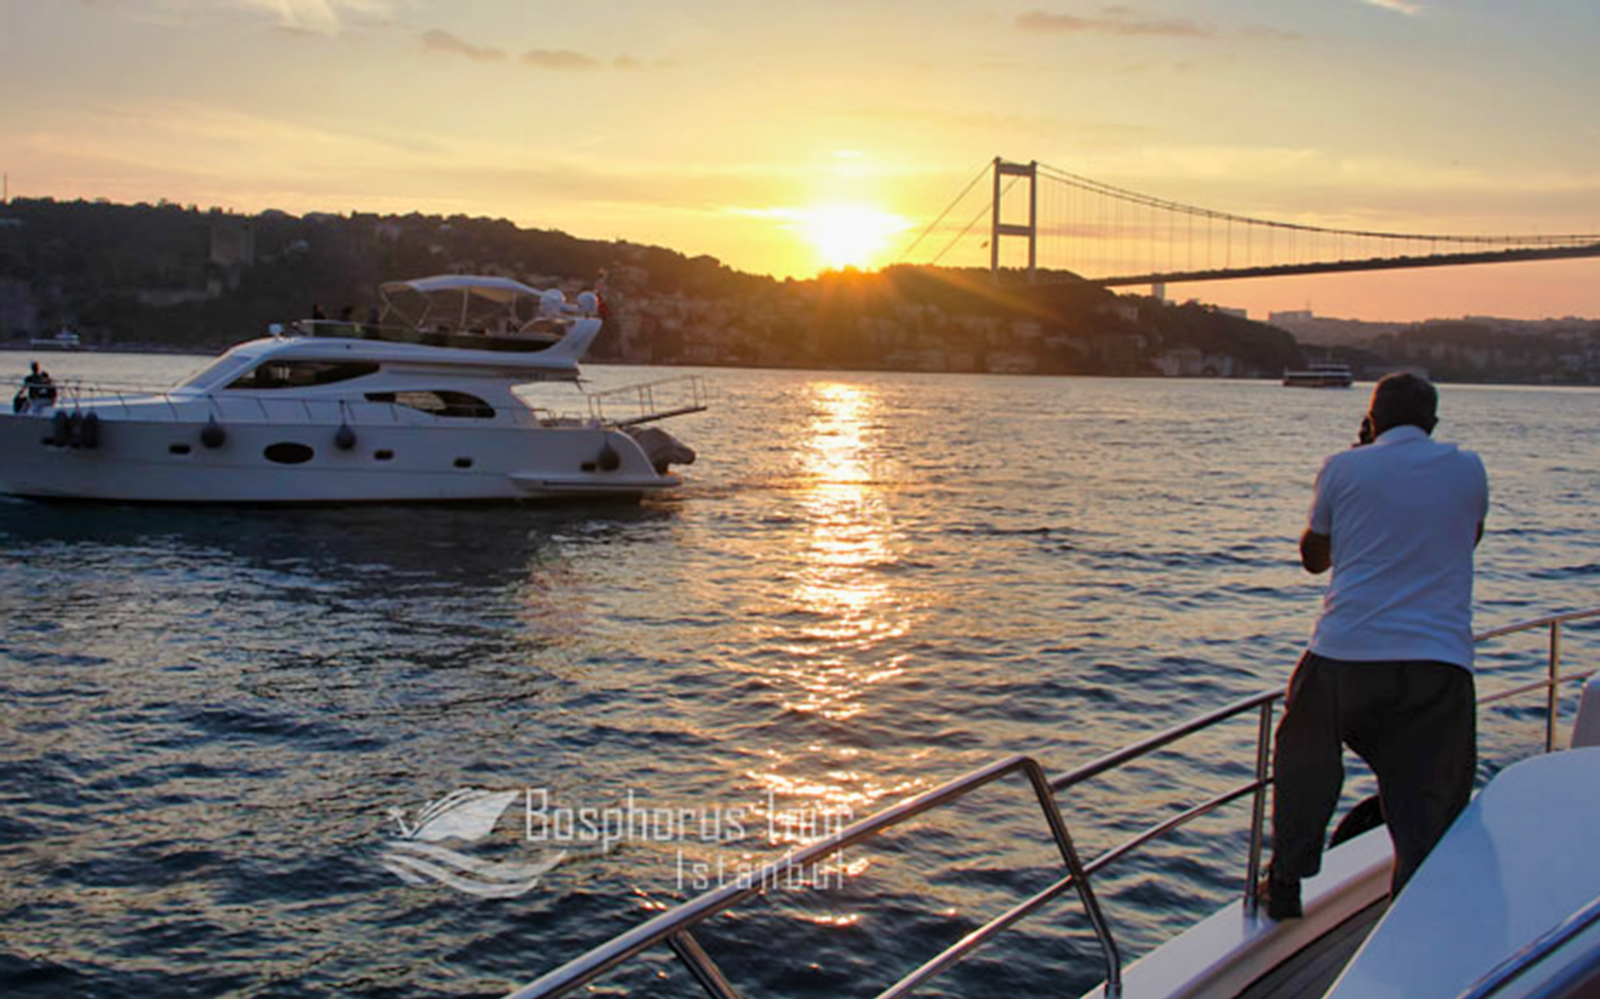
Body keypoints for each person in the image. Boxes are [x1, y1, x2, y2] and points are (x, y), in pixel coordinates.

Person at [1260, 372, 1489, 920]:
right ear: (1432, 422)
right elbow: (1467, 537)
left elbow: (1314, 559)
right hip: (1438, 662)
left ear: (1370, 420)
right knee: (1429, 799)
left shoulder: (1344, 467)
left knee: (1305, 760)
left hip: (1347, 652)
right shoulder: (1469, 469)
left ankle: (1286, 880)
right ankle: (1415, 911)